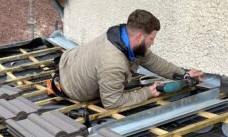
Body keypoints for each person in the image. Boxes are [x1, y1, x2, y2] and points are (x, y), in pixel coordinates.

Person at [57, 9, 203, 109]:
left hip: (69, 59)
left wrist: (184, 74)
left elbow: (153, 61)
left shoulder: (122, 35)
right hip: (73, 88)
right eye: (151, 38)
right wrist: (148, 92)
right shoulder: (113, 63)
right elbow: (112, 102)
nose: (153, 43)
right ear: (139, 36)